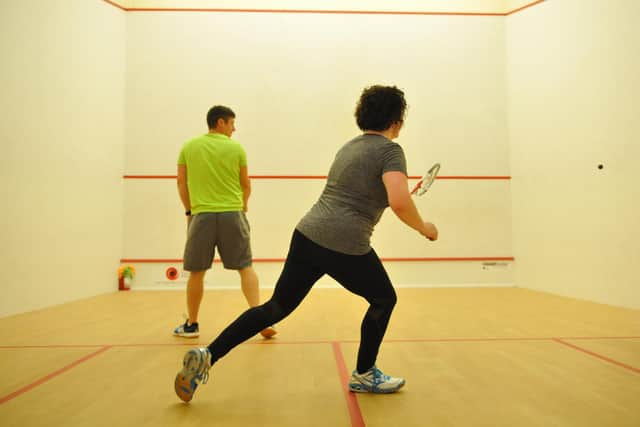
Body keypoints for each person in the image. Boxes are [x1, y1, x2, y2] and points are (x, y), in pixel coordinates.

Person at [174, 86, 438, 402]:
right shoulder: (390, 151)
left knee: (276, 307)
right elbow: (398, 202)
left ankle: (208, 354)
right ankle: (365, 373)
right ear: (396, 121)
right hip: (344, 242)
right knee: (384, 299)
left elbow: (363, 193)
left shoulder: (349, 148)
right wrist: (425, 228)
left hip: (307, 235)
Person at [174, 105, 276, 339]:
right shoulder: (236, 148)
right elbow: (246, 183)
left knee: (196, 272)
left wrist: (190, 210)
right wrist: (243, 205)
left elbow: (181, 182)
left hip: (202, 217)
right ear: (220, 122)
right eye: (232, 123)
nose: (234, 128)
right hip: (233, 214)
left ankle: (192, 325)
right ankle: (259, 321)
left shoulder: (188, 147)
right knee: (245, 267)